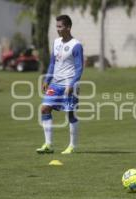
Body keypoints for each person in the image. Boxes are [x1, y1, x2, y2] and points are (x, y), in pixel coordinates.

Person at [36, 15, 83, 154]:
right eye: (56, 26)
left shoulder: (76, 45)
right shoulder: (56, 42)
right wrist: (47, 80)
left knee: (70, 115)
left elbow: (79, 68)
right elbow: (52, 63)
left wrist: (72, 84)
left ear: (68, 27)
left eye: (60, 27)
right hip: (55, 84)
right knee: (44, 109)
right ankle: (48, 145)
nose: (58, 29)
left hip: (69, 84)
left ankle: (72, 146)